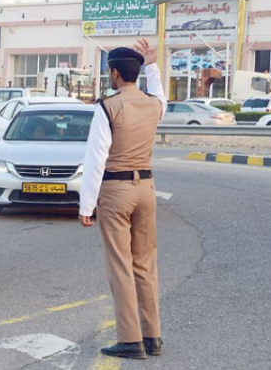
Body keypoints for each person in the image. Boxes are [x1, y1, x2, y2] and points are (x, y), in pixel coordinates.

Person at [79, 38, 167, 360]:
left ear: (115, 74)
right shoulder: (153, 105)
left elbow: (95, 159)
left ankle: (130, 340)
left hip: (115, 191)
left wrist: (86, 206)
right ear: (137, 73)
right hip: (146, 188)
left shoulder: (108, 107)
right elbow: (161, 96)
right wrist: (153, 64)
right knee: (145, 265)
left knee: (121, 267)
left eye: (109, 72)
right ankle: (152, 336)